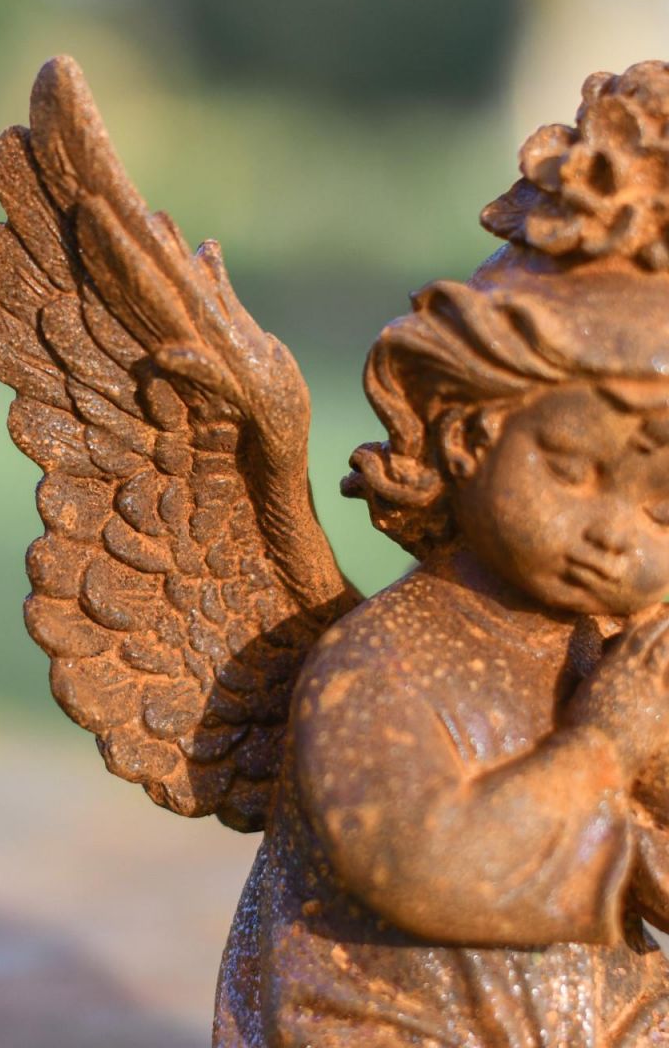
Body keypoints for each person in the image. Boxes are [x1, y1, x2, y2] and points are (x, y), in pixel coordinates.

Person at [215, 62, 669, 1046]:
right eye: (573, 469)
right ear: (468, 432)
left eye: (664, 507)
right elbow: (426, 866)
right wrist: (605, 748)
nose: (614, 533)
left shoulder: (614, 653)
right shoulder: (380, 666)